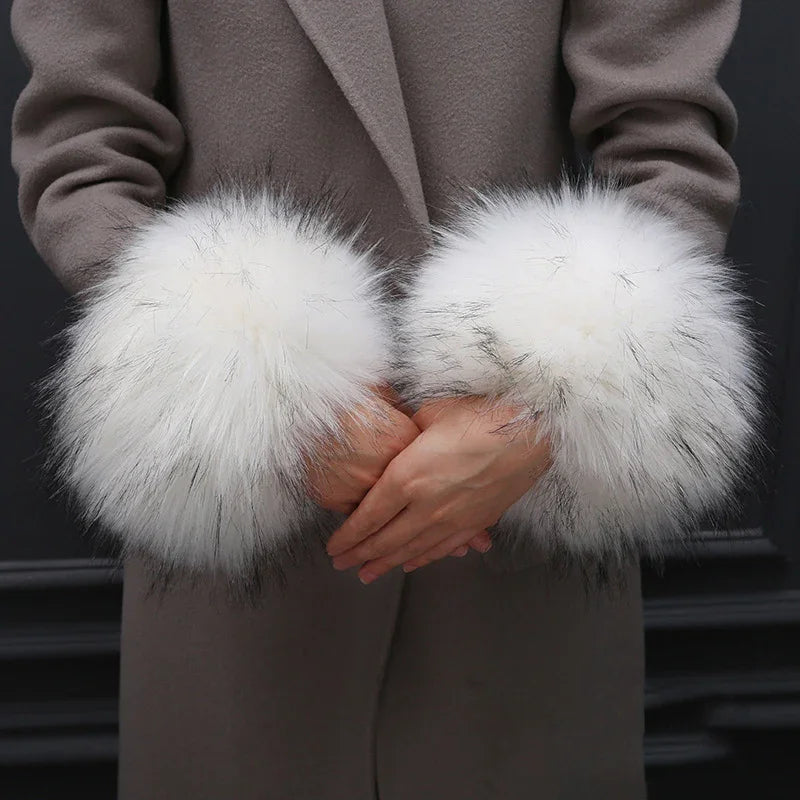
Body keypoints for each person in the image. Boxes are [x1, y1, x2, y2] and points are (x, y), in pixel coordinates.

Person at [10, 1, 762, 797]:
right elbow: (82, 151)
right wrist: (260, 392)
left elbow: (669, 150)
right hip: (247, 525)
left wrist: (551, 399)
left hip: (511, 514)